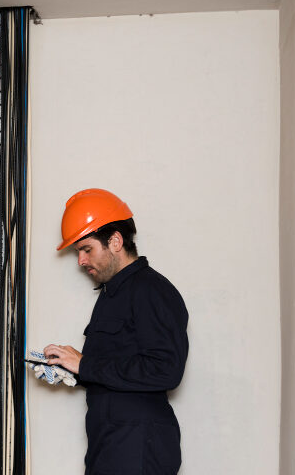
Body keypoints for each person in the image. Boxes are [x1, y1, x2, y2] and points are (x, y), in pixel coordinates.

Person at [43, 188, 189, 475]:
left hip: (138, 450)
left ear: (115, 241)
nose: (81, 261)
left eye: (87, 249)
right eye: (78, 252)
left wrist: (86, 364)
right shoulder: (111, 294)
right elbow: (118, 368)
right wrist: (74, 370)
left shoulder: (152, 291)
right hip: (109, 446)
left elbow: (166, 370)